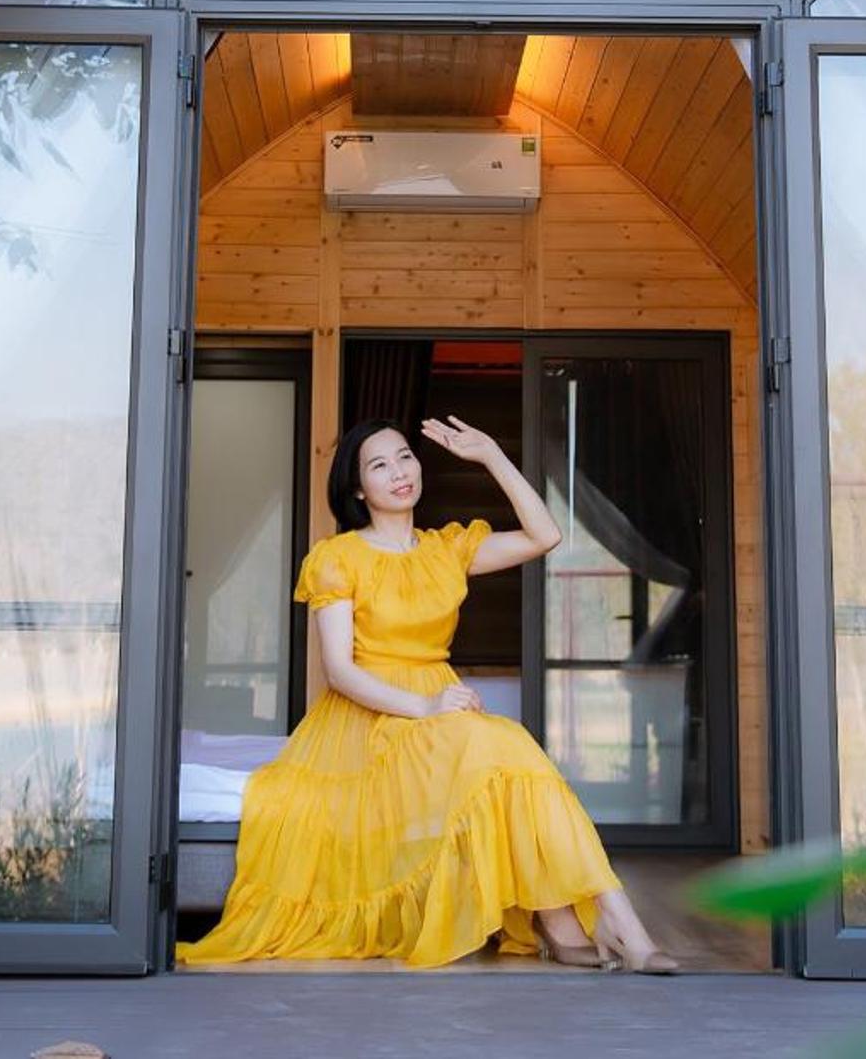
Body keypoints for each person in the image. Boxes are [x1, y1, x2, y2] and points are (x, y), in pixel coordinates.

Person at [179, 415, 678, 973]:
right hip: (372, 714)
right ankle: (584, 926)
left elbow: (545, 536)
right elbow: (339, 670)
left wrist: (491, 454)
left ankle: (600, 922)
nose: (399, 472)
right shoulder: (338, 557)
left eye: (405, 457)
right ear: (357, 489)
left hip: (443, 705)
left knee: (513, 758)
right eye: (379, 465)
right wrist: (424, 707)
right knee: (506, 749)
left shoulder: (447, 549)